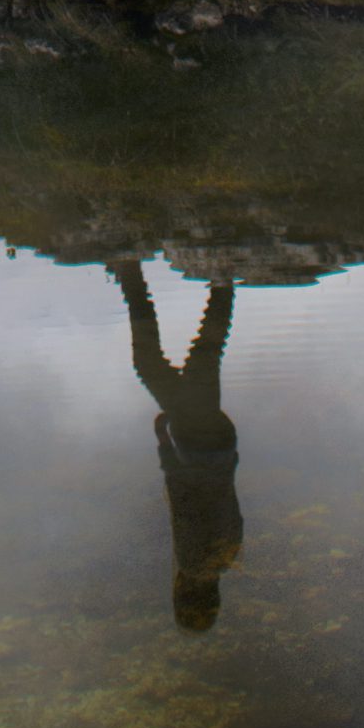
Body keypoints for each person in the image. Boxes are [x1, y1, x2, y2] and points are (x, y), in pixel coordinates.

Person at [111, 261, 244, 631]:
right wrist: (164, 447)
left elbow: (224, 501)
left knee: (199, 357)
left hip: (219, 446)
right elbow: (184, 496)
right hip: (194, 445)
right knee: (177, 358)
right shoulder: (191, 560)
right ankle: (135, 271)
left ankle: (218, 284)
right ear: (182, 593)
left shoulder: (228, 557)